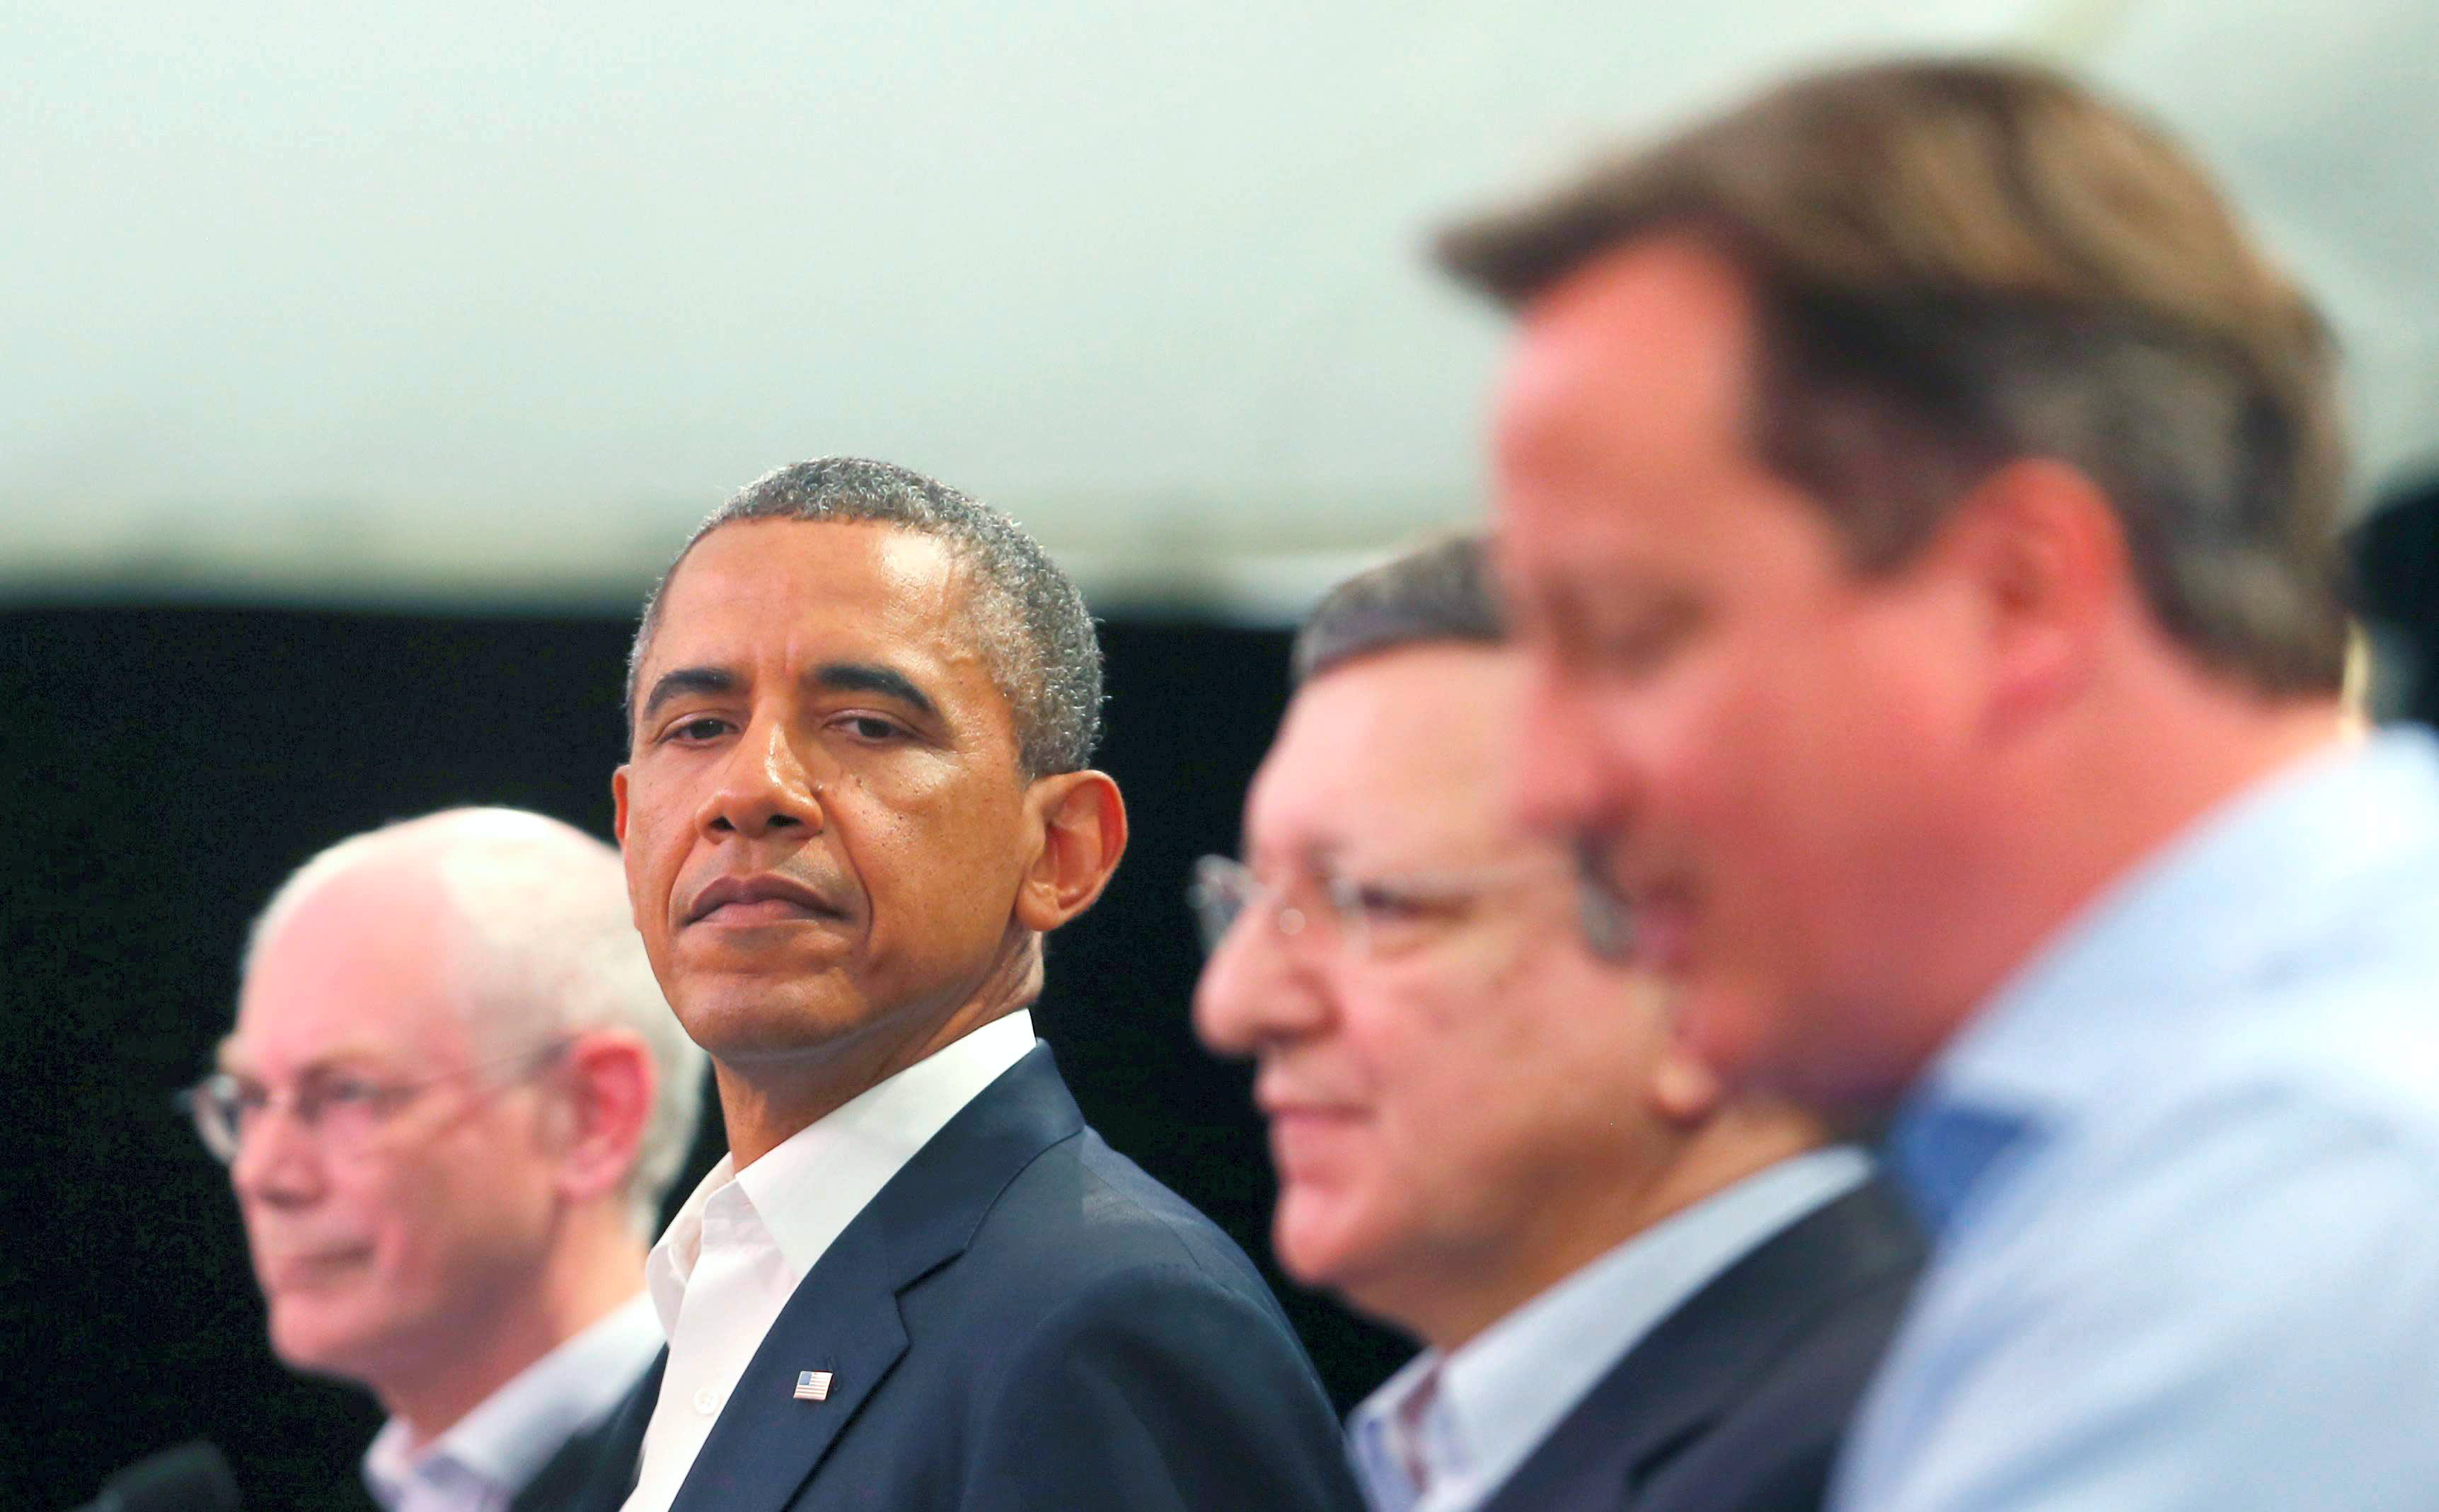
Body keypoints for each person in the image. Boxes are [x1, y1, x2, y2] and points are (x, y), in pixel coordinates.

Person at [1441, 55, 2439, 1508]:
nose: (1543, 786)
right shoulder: (2231, 1157)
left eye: (1633, 636)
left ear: (2017, 598)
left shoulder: (2289, 1212)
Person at [587, 456, 1361, 1512]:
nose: (750, 789)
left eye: (867, 724)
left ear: (1061, 850)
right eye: (698, 728)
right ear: (629, 827)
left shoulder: (1112, 1319)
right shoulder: (709, 1304)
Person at [1194, 534, 1921, 1512]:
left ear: (1701, 976)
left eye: (1373, 901)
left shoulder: (1908, 1452)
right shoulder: (1435, 1454)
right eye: (1247, 903)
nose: (1233, 1005)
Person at [188, 807, 709, 1512]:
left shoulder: (751, 1470)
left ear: (593, 1115)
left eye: (347, 1092)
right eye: (250, 1098)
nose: (263, 1173)